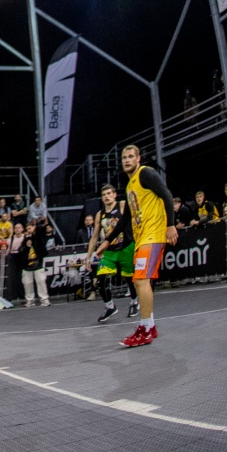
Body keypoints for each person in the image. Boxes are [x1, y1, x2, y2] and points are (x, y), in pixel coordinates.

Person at [93, 144, 177, 347]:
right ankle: (151, 326)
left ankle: (145, 330)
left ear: (138, 159)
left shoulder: (146, 173)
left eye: (131, 156)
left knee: (140, 281)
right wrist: (107, 241)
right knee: (140, 282)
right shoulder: (130, 186)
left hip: (153, 234)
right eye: (124, 157)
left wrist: (171, 225)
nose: (127, 160)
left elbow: (166, 194)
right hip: (142, 238)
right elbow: (125, 219)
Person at [85, 182, 136, 325]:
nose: (107, 197)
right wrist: (88, 257)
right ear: (101, 198)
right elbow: (95, 236)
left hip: (126, 247)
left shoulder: (122, 205)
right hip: (109, 251)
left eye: (109, 194)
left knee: (129, 278)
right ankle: (110, 307)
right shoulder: (100, 214)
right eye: (104, 195)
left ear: (114, 195)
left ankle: (134, 302)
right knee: (100, 279)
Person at [20, 221, 51, 306]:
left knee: (41, 281)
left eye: (30, 228)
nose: (28, 230)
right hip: (27, 265)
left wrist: (35, 226)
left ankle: (44, 299)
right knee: (27, 283)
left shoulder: (38, 236)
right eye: (27, 229)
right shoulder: (26, 238)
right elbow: (21, 250)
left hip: (37, 264)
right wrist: (26, 245)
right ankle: (30, 300)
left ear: (34, 227)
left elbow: (42, 228)